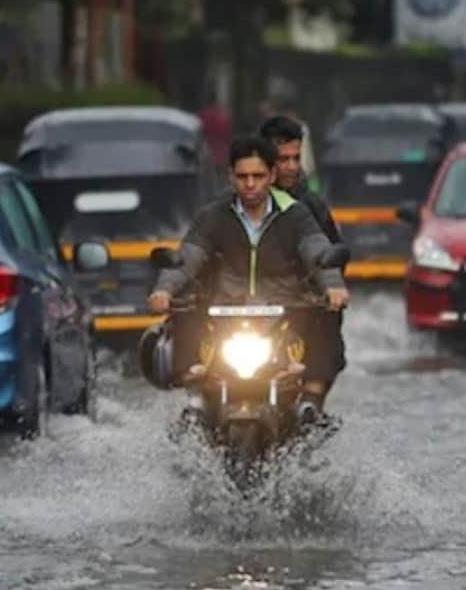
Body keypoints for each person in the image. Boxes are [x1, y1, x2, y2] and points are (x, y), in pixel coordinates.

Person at [147, 135, 350, 420]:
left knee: (324, 319)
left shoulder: (295, 215)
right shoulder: (213, 217)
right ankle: (196, 400)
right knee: (185, 312)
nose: (250, 184)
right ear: (230, 176)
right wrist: (164, 290)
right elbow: (187, 259)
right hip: (224, 316)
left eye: (258, 175)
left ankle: (310, 403)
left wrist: (333, 287)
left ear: (272, 176)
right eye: (243, 176)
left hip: (284, 315)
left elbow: (317, 253)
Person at [259, 114, 347, 406]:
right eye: (283, 159)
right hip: (243, 309)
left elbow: (328, 254)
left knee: (325, 326)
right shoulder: (228, 205)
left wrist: (325, 288)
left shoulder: (310, 207)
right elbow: (206, 247)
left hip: (298, 307)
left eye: (296, 158)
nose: (291, 166)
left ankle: (311, 400)